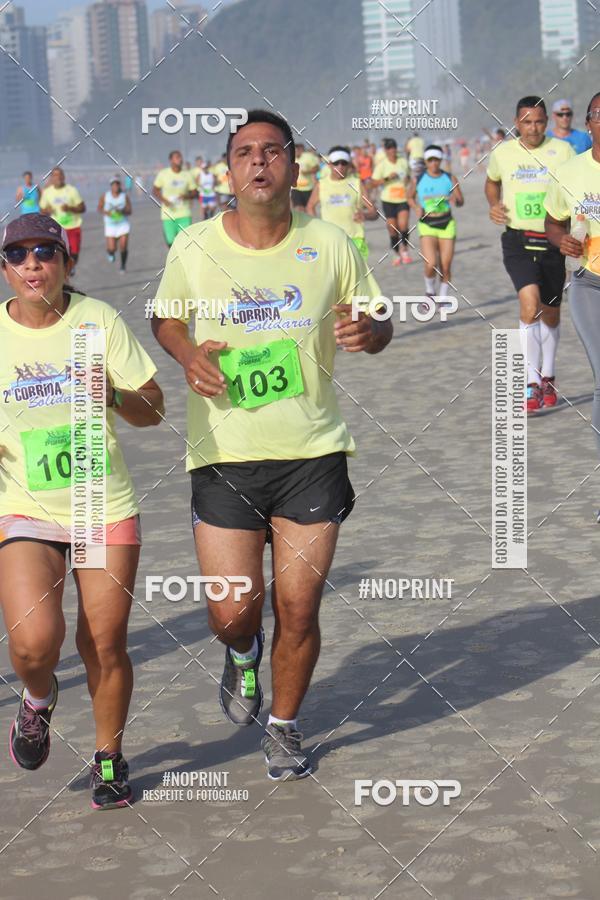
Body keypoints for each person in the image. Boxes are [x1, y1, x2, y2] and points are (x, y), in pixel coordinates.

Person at [151, 108, 392, 781]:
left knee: (298, 605)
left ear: (294, 163)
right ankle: (243, 652)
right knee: (232, 612)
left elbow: (375, 315)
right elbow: (165, 317)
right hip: (224, 457)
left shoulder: (331, 242)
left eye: (272, 150)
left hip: (312, 453)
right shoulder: (194, 245)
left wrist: (372, 333)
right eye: (245, 152)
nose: (259, 161)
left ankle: (284, 726)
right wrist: (186, 354)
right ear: (228, 172)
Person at [0, 213, 164, 808]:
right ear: (5, 269)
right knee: (33, 643)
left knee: (104, 640)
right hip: (24, 505)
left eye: (45, 251)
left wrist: (115, 396)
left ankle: (109, 758)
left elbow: (154, 407)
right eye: (17, 255)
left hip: (102, 503)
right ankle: (38, 700)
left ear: (67, 262)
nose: (32, 264)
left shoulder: (99, 321)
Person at [485, 95, 574, 412]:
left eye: (538, 121)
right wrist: (494, 205)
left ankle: (548, 374)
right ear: (516, 122)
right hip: (518, 240)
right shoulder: (503, 153)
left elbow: (575, 190)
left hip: (552, 239)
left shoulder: (563, 151)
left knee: (550, 312)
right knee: (529, 304)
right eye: (526, 121)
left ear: (547, 122)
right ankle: (532, 382)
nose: (533, 127)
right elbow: (491, 183)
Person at [545, 91, 600, 511]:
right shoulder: (570, 172)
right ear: (589, 123)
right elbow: (553, 221)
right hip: (589, 283)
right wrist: (560, 239)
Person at [408, 144, 464, 304]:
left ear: (440, 160)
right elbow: (409, 196)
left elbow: (461, 201)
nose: (433, 163)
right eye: (430, 160)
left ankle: (443, 299)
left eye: (436, 160)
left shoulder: (450, 178)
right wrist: (416, 206)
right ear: (426, 161)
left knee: (445, 266)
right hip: (427, 225)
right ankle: (430, 291)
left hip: (446, 224)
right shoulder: (418, 179)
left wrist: (456, 200)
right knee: (431, 263)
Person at [306, 145, 371, 260]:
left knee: (357, 278)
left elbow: (373, 211)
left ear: (349, 165)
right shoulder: (321, 185)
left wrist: (365, 215)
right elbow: (310, 206)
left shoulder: (357, 183)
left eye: (344, 163)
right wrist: (317, 226)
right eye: (336, 163)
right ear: (330, 164)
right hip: (330, 240)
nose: (340, 167)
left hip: (355, 240)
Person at [371, 137, 412, 265]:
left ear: (395, 148)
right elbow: (373, 183)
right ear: (385, 150)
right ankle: (396, 253)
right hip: (388, 200)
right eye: (388, 148)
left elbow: (409, 176)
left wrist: (407, 180)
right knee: (392, 228)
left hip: (403, 198)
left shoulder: (403, 161)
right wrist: (388, 178)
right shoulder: (382, 165)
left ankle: (404, 250)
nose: (391, 150)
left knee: (404, 225)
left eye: (393, 147)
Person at [40, 167, 86, 273]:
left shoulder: (71, 190)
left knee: (74, 253)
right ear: (51, 178)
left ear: (64, 176)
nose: (58, 177)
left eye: (60, 175)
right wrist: (48, 210)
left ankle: (71, 266)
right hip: (56, 229)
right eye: (55, 175)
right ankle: (64, 273)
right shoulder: (47, 192)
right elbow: (42, 210)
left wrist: (70, 208)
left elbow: (83, 208)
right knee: (58, 254)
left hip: (73, 226)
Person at [152, 150, 198, 248]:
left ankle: (181, 261)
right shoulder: (163, 174)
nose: (180, 159)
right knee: (170, 242)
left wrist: (186, 196)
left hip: (184, 213)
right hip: (168, 214)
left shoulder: (187, 175)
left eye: (181, 157)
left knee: (185, 241)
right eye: (177, 157)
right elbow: (155, 190)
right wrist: (164, 200)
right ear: (171, 160)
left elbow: (195, 192)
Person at [97, 175, 132, 273]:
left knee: (123, 246)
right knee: (112, 248)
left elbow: (130, 211)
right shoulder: (105, 196)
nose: (116, 186)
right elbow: (99, 208)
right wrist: (106, 212)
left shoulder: (124, 196)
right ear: (111, 186)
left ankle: (123, 266)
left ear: (120, 185)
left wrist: (123, 211)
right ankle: (111, 253)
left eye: (117, 184)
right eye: (114, 184)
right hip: (110, 225)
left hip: (123, 224)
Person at [291, 143, 320, 211]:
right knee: (299, 208)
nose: (295, 152)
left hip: (308, 188)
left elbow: (317, 168)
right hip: (296, 188)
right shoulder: (291, 157)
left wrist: (308, 172)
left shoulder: (308, 157)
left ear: (300, 150)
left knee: (308, 208)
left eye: (297, 150)